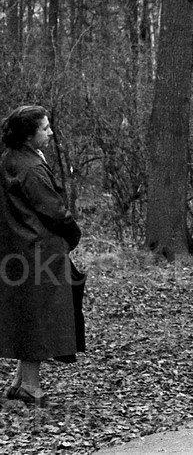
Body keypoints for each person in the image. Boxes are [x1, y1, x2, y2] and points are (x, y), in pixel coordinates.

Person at [0, 105, 85, 406]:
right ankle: (31, 387)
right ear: (28, 134)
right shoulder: (31, 168)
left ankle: (19, 382)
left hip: (18, 249)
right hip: (40, 251)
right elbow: (53, 210)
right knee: (39, 318)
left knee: (28, 314)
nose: (50, 132)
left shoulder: (10, 159)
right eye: (45, 128)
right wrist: (74, 233)